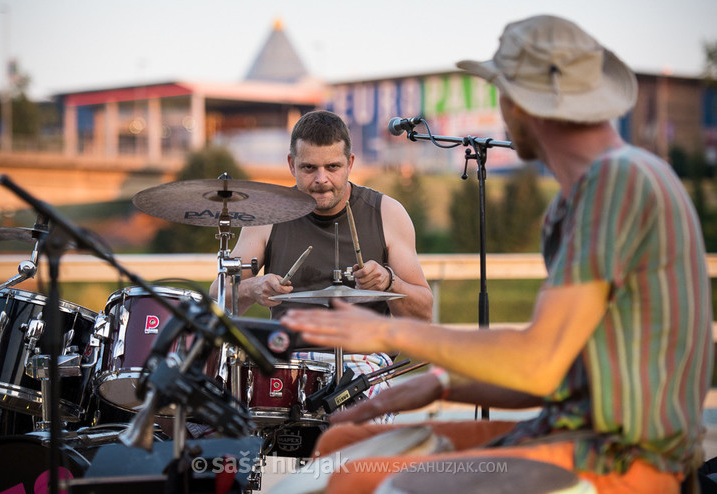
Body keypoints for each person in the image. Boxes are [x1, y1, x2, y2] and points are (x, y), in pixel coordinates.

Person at [281, 15, 714, 494]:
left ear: (518, 104)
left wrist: (386, 329)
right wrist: (444, 385)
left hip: (618, 459)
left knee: (356, 479)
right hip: (570, 432)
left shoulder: (616, 185)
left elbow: (539, 359)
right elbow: (561, 371)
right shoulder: (593, 191)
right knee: (341, 442)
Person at [212, 110, 433, 401]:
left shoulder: (387, 213)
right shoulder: (268, 215)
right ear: (291, 164)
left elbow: (424, 313)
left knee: (349, 431)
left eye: (332, 166)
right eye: (309, 168)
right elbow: (218, 295)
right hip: (287, 363)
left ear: (350, 163)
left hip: (364, 365)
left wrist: (390, 282)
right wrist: (253, 287)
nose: (321, 179)